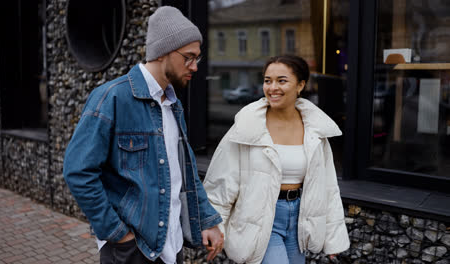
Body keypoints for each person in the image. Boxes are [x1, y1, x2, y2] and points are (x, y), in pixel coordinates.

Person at [63, 6, 224, 264]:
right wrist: (118, 234)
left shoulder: (173, 104)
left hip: (172, 246)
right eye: (189, 57)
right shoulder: (112, 97)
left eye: (197, 58)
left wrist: (207, 220)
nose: (194, 66)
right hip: (132, 250)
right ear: (164, 52)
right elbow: (77, 171)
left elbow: (185, 172)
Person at [203, 55, 350, 264]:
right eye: (267, 80)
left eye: (282, 81)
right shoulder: (247, 126)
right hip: (262, 218)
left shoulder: (316, 130)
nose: (272, 87)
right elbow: (221, 183)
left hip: (300, 218)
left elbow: (327, 188)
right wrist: (214, 226)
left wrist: (333, 239)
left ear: (300, 85)